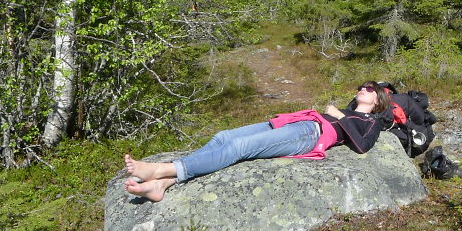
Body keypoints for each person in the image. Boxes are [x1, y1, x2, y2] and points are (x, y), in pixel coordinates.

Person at [123, 81, 391, 202]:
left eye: (368, 89)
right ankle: (163, 184)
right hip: (294, 124)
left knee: (239, 149)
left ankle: (162, 169)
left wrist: (339, 117)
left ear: (377, 99)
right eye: (360, 87)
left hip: (310, 134)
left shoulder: (371, 122)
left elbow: (362, 146)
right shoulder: (349, 110)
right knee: (224, 136)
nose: (361, 90)